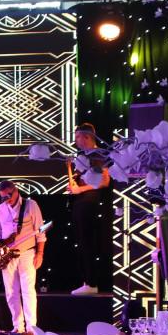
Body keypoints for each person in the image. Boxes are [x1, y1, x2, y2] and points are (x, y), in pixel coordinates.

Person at [0, 180, 46, 335]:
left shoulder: (30, 205)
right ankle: (17, 326)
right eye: (3, 197)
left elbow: (41, 231)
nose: (6, 199)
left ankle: (31, 328)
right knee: (11, 292)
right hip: (7, 255)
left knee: (28, 290)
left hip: (27, 252)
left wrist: (40, 253)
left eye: (8, 195)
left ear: (15, 191)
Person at [68, 122, 110, 295]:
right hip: (81, 200)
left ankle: (92, 282)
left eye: (79, 136)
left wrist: (81, 189)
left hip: (91, 201)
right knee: (82, 242)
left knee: (88, 242)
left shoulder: (99, 154)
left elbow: (104, 181)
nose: (77, 140)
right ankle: (87, 281)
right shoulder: (82, 155)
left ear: (88, 137)